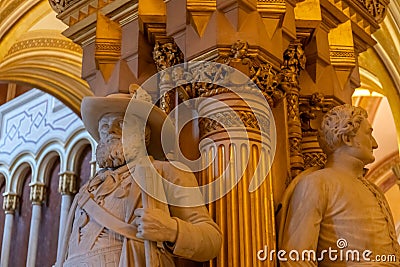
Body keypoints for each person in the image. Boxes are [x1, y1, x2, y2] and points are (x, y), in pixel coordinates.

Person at [57, 87, 222, 266]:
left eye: (120, 123)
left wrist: (171, 230)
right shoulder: (87, 190)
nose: (110, 131)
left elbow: (211, 240)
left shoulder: (166, 172)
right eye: (104, 126)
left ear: (144, 133)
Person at [279, 104, 400, 266]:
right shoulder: (317, 183)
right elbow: (296, 258)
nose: (375, 144)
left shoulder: (374, 190)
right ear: (347, 138)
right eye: (368, 134)